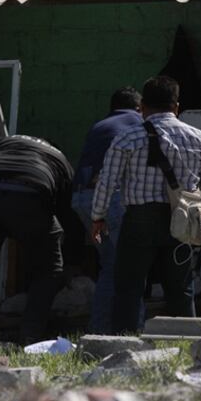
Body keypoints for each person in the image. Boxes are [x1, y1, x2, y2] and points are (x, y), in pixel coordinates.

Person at [91, 76, 201, 334]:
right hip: (182, 221)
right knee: (181, 290)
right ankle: (185, 345)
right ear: (177, 107)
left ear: (143, 108)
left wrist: (98, 216)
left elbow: (107, 182)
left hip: (139, 221)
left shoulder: (127, 138)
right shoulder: (198, 138)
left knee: (129, 288)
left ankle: (123, 344)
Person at [0, 135, 75, 344]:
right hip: (31, 194)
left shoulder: (6, 142)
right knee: (49, 271)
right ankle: (31, 337)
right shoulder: (59, 159)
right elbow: (65, 211)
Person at [71, 87, 143, 334]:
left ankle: (99, 330)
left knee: (110, 265)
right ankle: (134, 332)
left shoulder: (100, 125)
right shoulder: (136, 121)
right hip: (108, 201)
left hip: (83, 202)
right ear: (138, 107)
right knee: (132, 266)